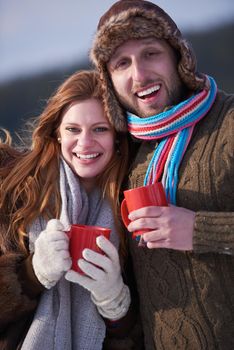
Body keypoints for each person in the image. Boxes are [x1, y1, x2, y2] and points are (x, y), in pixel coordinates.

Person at [90, 1, 234, 349]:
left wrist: (200, 230)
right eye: (122, 63)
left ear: (177, 57)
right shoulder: (122, 155)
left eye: (150, 53)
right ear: (109, 80)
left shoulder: (229, 122)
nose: (139, 75)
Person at [0, 70, 143, 349]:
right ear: (56, 133)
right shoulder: (11, 189)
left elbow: (147, 329)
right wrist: (31, 274)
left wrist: (115, 303)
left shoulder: (132, 205)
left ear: (117, 136)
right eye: (73, 129)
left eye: (100, 129)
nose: (85, 143)